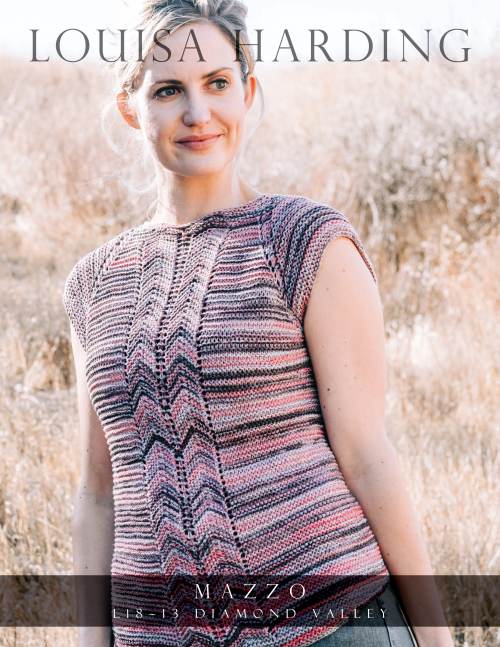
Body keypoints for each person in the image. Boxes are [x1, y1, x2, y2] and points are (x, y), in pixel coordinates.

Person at [63, 1, 454, 646]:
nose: (198, 113)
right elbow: (97, 493)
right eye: (168, 90)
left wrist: (437, 637)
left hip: (331, 626)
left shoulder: (304, 241)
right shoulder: (93, 282)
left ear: (246, 94)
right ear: (132, 108)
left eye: (217, 83)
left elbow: (368, 456)